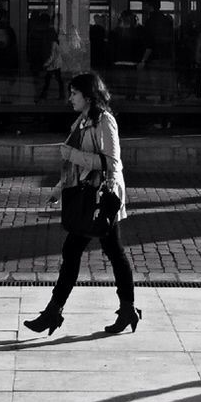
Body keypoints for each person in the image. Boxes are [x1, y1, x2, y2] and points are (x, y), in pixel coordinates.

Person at [24, 72, 138, 337]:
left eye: (74, 93)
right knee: (113, 252)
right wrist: (58, 190)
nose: (70, 98)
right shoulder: (82, 122)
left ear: (88, 95)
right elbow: (72, 167)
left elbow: (112, 163)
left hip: (101, 199)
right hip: (89, 196)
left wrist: (74, 154)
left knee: (76, 248)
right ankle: (127, 309)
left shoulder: (105, 121)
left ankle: (54, 312)